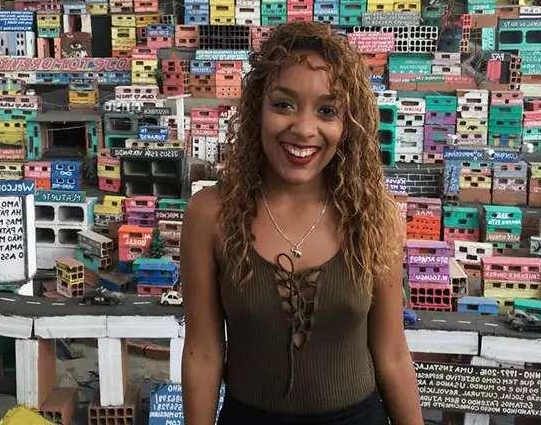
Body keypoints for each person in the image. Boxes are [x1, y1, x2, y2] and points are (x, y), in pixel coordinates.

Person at [181, 21, 424, 424]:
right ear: (257, 108)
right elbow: (203, 354)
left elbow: (392, 354)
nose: (305, 129)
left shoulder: (375, 217)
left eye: (327, 111)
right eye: (284, 104)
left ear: (348, 126)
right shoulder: (210, 214)